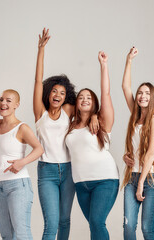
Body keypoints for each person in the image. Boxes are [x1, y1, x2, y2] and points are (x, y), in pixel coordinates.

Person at [33, 28, 98, 240]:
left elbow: (87, 107)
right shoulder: (40, 113)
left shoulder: (68, 111)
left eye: (62, 93)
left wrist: (95, 115)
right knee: (51, 221)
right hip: (47, 172)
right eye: (54, 91)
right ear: (48, 93)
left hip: (69, 170)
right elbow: (37, 80)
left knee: (64, 220)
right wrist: (41, 49)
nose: (58, 95)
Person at [65, 51, 119, 240]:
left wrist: (103, 66)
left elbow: (106, 93)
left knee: (97, 222)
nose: (85, 99)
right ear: (76, 104)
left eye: (89, 97)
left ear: (94, 102)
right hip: (81, 183)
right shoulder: (70, 125)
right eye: (81, 97)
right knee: (95, 226)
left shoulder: (103, 121)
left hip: (105, 180)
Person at [0, 89, 44, 240]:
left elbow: (39, 148)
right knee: (6, 235)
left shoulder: (22, 127)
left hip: (18, 185)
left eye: (8, 100)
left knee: (21, 234)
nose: (3, 103)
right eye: (1, 99)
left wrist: (22, 162)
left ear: (16, 105)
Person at [121, 47, 154, 240]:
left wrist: (140, 184)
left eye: (146, 93)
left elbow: (151, 153)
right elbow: (125, 88)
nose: (142, 96)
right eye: (140, 93)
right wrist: (129, 60)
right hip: (132, 177)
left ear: (152, 97)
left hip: (150, 178)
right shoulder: (134, 116)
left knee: (147, 228)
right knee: (128, 226)